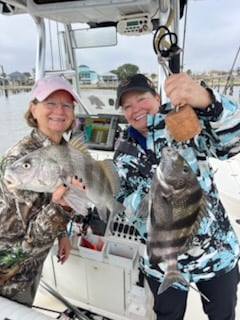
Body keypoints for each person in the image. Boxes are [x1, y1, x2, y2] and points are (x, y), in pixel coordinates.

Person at [113, 73, 240, 320]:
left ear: (157, 97)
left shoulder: (182, 119)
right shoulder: (123, 154)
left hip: (215, 251)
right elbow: (123, 199)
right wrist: (151, 205)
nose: (135, 109)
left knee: (223, 315)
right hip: (163, 262)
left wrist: (208, 102)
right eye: (127, 106)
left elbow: (231, 143)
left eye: (141, 99)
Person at [0, 75, 82, 306]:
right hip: (11, 272)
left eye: (66, 105)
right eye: (50, 103)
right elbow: (31, 236)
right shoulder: (20, 162)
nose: (59, 110)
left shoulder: (63, 150)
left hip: (34, 262)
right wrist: (63, 207)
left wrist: (62, 234)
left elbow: (48, 199)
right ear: (33, 109)